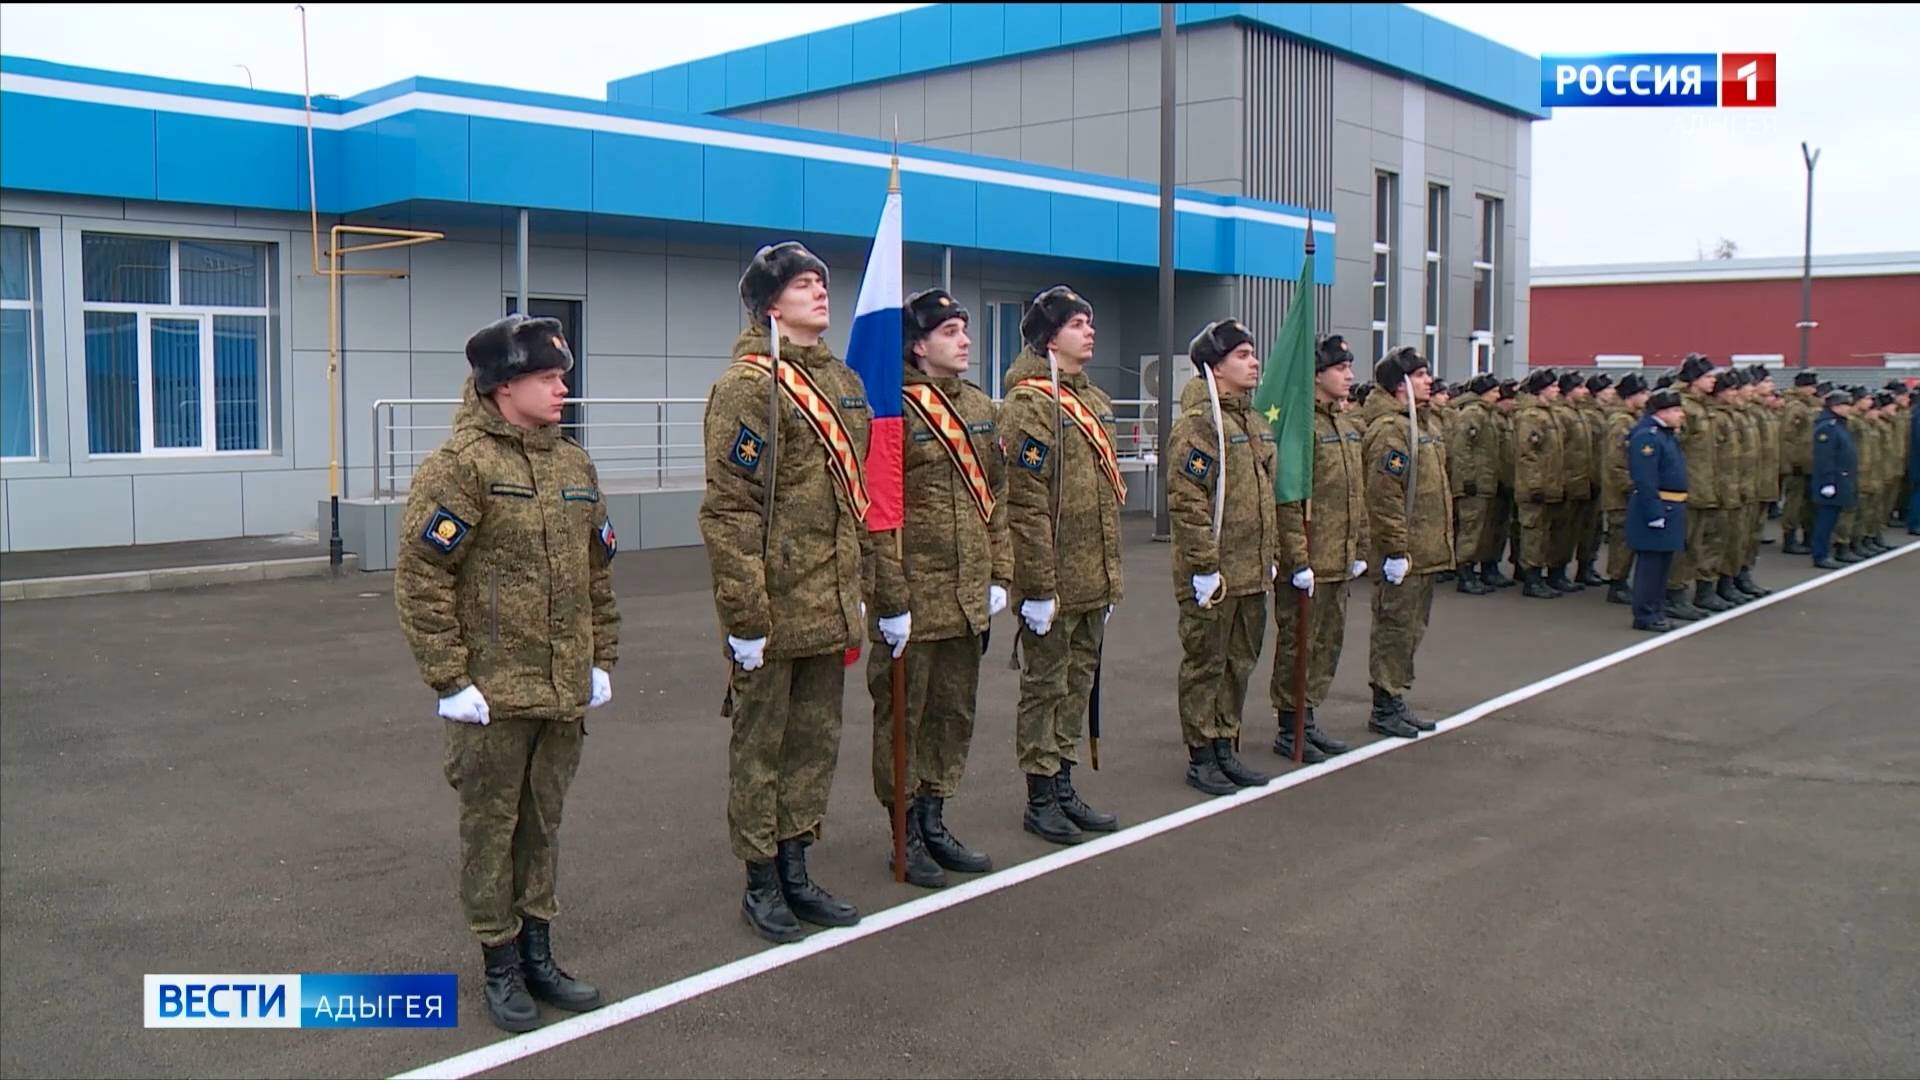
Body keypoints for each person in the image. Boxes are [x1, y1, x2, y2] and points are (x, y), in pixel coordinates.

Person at [395, 314, 619, 1032]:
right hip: (492, 695)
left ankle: (539, 953)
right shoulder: (460, 467)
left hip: (561, 688)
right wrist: (449, 679)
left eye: (562, 376)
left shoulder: (573, 465)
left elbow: (597, 572)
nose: (562, 388)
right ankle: (499, 961)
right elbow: (423, 577)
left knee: (543, 823)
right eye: (547, 377)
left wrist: (602, 657)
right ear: (502, 387)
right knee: (492, 829)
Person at [699, 242, 870, 944]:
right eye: (803, 286)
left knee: (814, 745)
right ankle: (761, 880)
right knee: (761, 749)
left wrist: (860, 591)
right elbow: (730, 510)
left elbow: (857, 500)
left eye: (822, 283)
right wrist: (745, 616)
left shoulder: (845, 382)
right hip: (772, 608)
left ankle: (797, 866)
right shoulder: (748, 388)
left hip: (829, 601)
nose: (820, 293)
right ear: (771, 305)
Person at [866, 288, 1011, 888]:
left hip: (966, 597)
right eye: (950, 332)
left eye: (965, 329)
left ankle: (934, 817)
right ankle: (903, 830)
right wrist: (888, 597)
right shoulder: (890, 408)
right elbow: (875, 511)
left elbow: (998, 498)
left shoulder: (980, 407)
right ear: (918, 345)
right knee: (904, 720)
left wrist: (1000, 573)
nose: (965, 340)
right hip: (915, 598)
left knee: (952, 715)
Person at [999, 285, 1124, 845]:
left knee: (1078, 684)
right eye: (1077, 323)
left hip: (1092, 574)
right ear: (1050, 339)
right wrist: (1036, 586)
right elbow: (1024, 504)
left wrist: (1110, 577)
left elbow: (1104, 499)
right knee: (1044, 686)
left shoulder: (1095, 401)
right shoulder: (1028, 405)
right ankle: (1040, 794)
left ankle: (1064, 780)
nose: (1089, 330)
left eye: (1090, 321)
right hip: (1053, 579)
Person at [1165, 318, 1278, 794]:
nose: (1254, 363)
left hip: (1251, 569)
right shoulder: (1200, 424)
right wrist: (1204, 566)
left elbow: (1266, 494)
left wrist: (1270, 553)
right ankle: (1201, 753)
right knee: (1207, 663)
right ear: (1215, 366)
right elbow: (1188, 500)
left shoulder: (1253, 422)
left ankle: (1225, 743)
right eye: (1242, 355)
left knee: (1239, 663)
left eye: (1253, 353)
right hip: (1215, 574)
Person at [1272, 335, 1371, 757]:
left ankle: (1308, 716)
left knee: (1327, 643)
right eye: (1339, 368)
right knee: (1299, 644)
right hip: (1311, 558)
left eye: (1349, 367)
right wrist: (1297, 558)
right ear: (1315, 375)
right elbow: (1289, 500)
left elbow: (1356, 493)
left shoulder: (1345, 426)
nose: (1349, 375)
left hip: (1338, 556)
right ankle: (1290, 725)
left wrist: (1360, 548)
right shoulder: (1302, 428)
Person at [1359, 346, 1453, 738]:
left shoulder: (1422, 424)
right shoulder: (1391, 431)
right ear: (1400, 385)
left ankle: (1396, 695)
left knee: (1411, 629)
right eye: (1419, 375)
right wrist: (1396, 550)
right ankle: (1384, 705)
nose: (1428, 381)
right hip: (1404, 553)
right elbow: (1385, 497)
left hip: (1424, 550)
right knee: (1394, 629)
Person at [1625, 389, 1690, 632]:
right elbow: (1645, 479)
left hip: (1671, 506)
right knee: (1651, 566)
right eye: (1676, 410)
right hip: (1658, 506)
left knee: (1663, 565)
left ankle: (1656, 610)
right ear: (1662, 412)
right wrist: (1653, 513)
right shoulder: (1648, 437)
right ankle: (1645, 614)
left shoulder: (1665, 435)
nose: (1681, 415)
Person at [1667, 354, 1721, 620]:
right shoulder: (1682, 407)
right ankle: (1673, 594)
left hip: (1704, 485)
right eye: (1708, 376)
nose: (1713, 381)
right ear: (1693, 379)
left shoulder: (1704, 406)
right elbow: (1674, 449)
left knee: (1699, 543)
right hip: (1687, 486)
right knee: (1681, 544)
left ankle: (1692, 592)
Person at [1511, 369, 1566, 599]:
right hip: (1535, 487)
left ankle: (1538, 576)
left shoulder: (1549, 413)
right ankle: (1531, 579)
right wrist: (1534, 485)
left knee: (1543, 532)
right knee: (1533, 532)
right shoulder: (1532, 416)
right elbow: (1528, 454)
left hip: (1548, 485)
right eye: (1552, 387)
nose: (1557, 390)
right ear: (1541, 390)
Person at [1448, 374, 1501, 595]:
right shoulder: (1472, 413)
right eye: (1494, 391)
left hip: (1484, 481)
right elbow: (1461, 449)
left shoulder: (1486, 414)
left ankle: (1473, 571)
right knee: (1470, 529)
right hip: (1474, 483)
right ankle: (1465, 573)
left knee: (1480, 530)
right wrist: (1467, 479)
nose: (1498, 395)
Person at [1600, 374, 1650, 605]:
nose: (1647, 397)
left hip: (1629, 490)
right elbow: (1616, 461)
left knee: (1628, 538)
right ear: (1632, 396)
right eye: (1643, 393)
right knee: (1621, 539)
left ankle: (1621, 581)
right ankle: (1617, 583)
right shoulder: (1620, 422)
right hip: (1621, 494)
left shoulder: (1632, 419)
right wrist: (1630, 486)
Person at [1809, 390, 1859, 568]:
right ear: (1834, 406)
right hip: (1832, 480)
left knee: (1832, 518)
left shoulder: (1839, 425)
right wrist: (1828, 481)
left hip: (1842, 478)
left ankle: (1825, 552)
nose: (1848, 408)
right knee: (1825, 519)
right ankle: (1820, 554)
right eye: (1845, 404)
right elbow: (1825, 457)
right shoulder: (1827, 427)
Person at [1777, 370, 1821, 554]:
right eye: (1810, 387)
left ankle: (1808, 536)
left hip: (1809, 463)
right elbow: (1787, 437)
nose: (1813, 390)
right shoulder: (1795, 407)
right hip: (1797, 464)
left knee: (1808, 503)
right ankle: (1789, 538)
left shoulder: (1811, 405)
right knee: (1794, 503)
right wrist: (1792, 462)